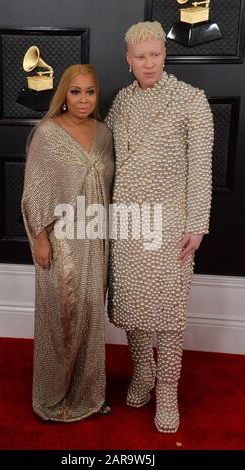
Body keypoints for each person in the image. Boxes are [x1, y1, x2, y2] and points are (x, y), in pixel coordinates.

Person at [105, 21, 213, 433]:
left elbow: (201, 169)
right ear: (128, 59)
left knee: (168, 314)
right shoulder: (121, 102)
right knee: (132, 307)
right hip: (128, 223)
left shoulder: (190, 101)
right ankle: (142, 372)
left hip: (170, 224)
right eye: (141, 56)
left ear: (164, 56)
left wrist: (196, 224)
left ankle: (167, 390)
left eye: (156, 55)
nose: (149, 63)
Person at [21, 64, 114, 422]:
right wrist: (40, 238)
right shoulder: (48, 133)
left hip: (95, 239)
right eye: (75, 92)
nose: (83, 99)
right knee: (61, 317)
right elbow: (35, 190)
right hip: (60, 240)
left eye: (90, 91)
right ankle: (52, 397)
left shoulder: (105, 134)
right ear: (64, 94)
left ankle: (88, 396)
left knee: (90, 314)